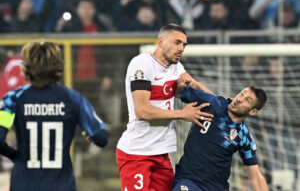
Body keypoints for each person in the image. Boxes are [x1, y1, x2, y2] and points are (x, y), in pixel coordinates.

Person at [116, 24, 214, 191]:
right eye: (177, 42)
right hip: (136, 153)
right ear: (160, 42)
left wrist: (194, 83)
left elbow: (207, 98)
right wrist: (182, 114)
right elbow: (142, 111)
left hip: (161, 153)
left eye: (184, 45)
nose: (181, 48)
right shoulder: (141, 64)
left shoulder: (176, 68)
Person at [0, 41, 108, 191]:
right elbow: (102, 138)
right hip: (61, 184)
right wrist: (92, 135)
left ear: (26, 67)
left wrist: (16, 156)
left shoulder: (12, 99)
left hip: (24, 183)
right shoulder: (73, 99)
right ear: (58, 66)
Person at [172, 74, 269, 191]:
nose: (239, 99)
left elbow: (256, 177)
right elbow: (177, 93)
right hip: (189, 179)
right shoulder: (213, 103)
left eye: (247, 100)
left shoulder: (244, 137)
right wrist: (181, 85)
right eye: (242, 94)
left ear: (253, 111)